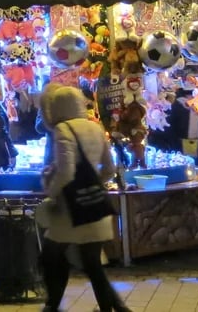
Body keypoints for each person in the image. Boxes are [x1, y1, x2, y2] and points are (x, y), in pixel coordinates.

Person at [38, 86, 131, 312]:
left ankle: (51, 305)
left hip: (71, 211)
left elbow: (66, 172)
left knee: (50, 255)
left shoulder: (63, 129)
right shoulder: (95, 127)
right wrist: (92, 183)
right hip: (96, 207)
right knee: (92, 264)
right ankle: (114, 308)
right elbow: (109, 169)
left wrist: (52, 192)